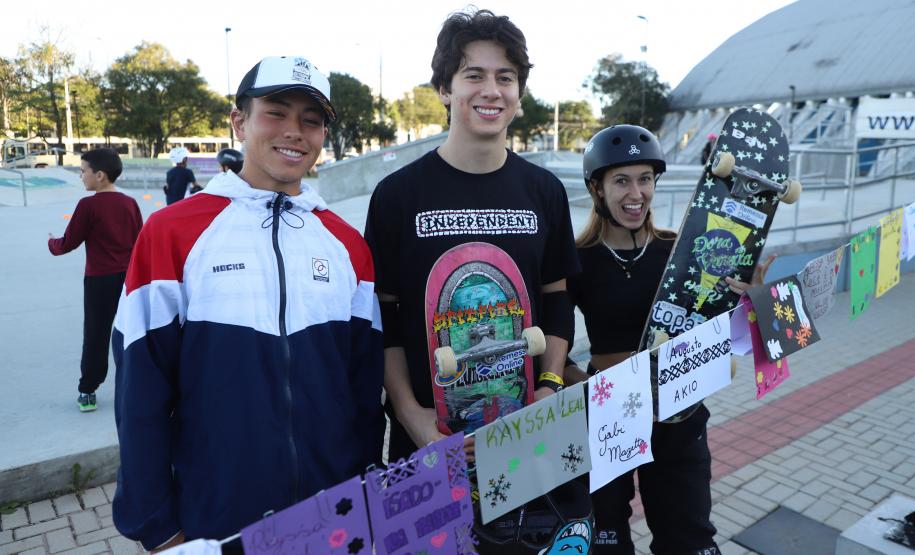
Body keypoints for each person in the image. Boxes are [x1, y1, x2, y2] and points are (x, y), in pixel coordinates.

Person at [111, 55, 385, 552]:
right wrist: (158, 528)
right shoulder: (170, 232)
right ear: (239, 122)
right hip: (216, 520)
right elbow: (139, 390)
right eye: (276, 113)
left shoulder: (348, 245)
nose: (294, 131)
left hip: (334, 515)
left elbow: (363, 391)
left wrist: (366, 485)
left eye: (311, 120)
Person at [364, 9, 588, 553]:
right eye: (473, 75)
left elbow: (558, 301)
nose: (491, 90)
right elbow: (384, 319)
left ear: (519, 92)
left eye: (504, 77)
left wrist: (548, 388)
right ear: (444, 89)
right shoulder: (397, 196)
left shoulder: (543, 191)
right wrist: (412, 416)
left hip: (526, 435)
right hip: (430, 442)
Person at [565, 124, 773, 554]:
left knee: (689, 538)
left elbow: (720, 330)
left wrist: (749, 301)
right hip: (609, 412)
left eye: (645, 179)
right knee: (604, 540)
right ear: (597, 188)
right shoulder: (577, 260)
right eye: (621, 181)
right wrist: (585, 387)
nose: (636, 193)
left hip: (680, 409)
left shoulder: (682, 250)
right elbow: (556, 351)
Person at [48, 148, 142, 412]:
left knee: (96, 335)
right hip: (129, 279)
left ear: (99, 175)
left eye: (83, 171)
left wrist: (52, 243)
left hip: (99, 281)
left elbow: (68, 243)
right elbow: (140, 241)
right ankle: (136, 385)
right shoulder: (130, 203)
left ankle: (88, 390)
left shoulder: (87, 205)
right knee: (131, 332)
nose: (81, 176)